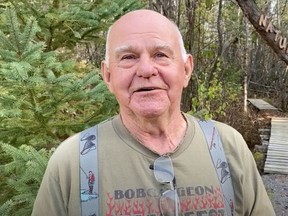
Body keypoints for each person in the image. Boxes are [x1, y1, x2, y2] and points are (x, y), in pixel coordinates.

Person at [32, 9, 276, 216]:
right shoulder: (72, 161)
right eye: (128, 57)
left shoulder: (227, 145)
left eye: (160, 54)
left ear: (186, 69)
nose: (146, 69)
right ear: (108, 75)